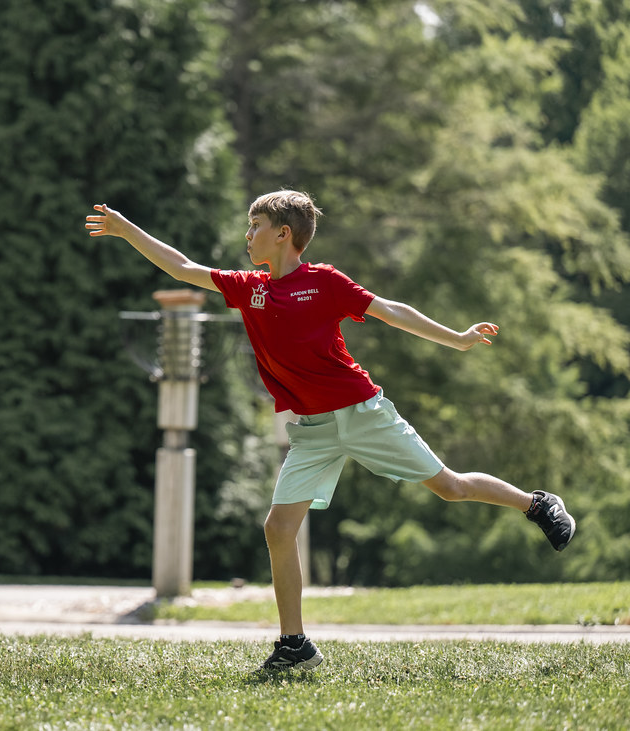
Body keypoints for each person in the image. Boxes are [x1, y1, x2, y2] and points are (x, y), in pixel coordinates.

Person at [85, 190, 576, 671]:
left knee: (449, 487)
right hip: (313, 431)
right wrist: (127, 229)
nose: (247, 235)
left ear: (283, 234)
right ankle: (294, 644)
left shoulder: (324, 282)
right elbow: (184, 269)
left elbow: (391, 311)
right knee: (278, 529)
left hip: (363, 414)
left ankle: (537, 504)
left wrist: (457, 338)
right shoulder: (250, 287)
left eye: (255, 226)